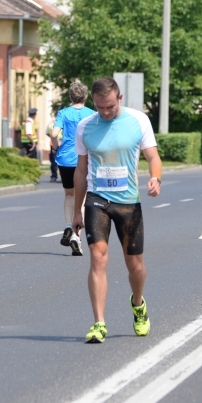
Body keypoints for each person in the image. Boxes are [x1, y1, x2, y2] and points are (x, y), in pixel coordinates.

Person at [72, 77, 162, 343]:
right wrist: (77, 211)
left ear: (119, 98)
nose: (105, 112)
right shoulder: (85, 126)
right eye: (100, 107)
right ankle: (99, 323)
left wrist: (156, 178)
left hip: (128, 202)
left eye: (110, 106)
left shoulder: (138, 120)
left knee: (135, 267)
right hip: (97, 199)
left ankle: (138, 303)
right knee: (98, 258)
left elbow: (153, 156)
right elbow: (80, 170)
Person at [52, 81, 96, 256]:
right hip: (84, 159)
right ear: (85, 97)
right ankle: (76, 237)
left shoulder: (63, 113)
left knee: (69, 194)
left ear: (70, 96)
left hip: (65, 159)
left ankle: (69, 225)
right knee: (83, 197)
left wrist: (55, 147)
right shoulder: (92, 114)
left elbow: (54, 134)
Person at [46, 117, 58, 182]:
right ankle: (64, 177)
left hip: (53, 144)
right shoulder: (65, 121)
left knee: (53, 161)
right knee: (63, 161)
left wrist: (52, 138)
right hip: (63, 144)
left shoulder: (51, 123)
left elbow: (47, 133)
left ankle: (54, 176)